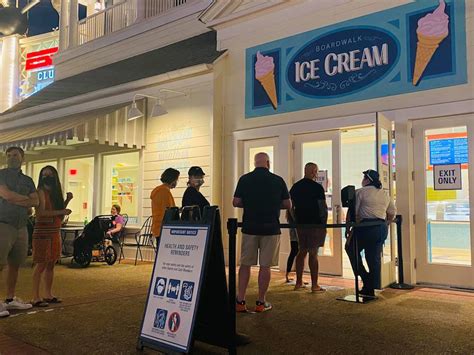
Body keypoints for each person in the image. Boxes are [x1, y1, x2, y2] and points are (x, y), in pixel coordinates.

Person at [233, 152, 291, 313]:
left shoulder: (245, 179)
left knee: (245, 264)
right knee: (265, 266)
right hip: (271, 228)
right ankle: (260, 302)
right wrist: (272, 205)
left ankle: (240, 300)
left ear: (254, 163)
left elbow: (236, 201)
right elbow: (288, 204)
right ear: (268, 162)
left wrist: (251, 204)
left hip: (250, 227)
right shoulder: (278, 180)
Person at [0, 147, 39, 317]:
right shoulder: (1, 175)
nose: (11, 158)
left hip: (21, 226)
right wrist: (26, 200)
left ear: (22, 157)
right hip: (3, 224)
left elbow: (36, 201)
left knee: (15, 264)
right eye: (8, 155)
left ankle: (9, 299)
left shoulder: (28, 180)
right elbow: (6, 195)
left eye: (15, 155)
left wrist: (16, 198)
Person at [345, 169, 396, 297]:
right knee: (373, 258)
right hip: (380, 228)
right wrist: (386, 225)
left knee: (351, 249)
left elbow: (354, 213)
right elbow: (391, 213)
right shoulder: (384, 194)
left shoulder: (360, 192)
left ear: (367, 180)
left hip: (365, 227)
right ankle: (371, 286)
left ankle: (365, 278)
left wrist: (348, 229)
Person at [31, 166, 73, 307]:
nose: (47, 177)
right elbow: (41, 213)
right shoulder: (40, 192)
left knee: (51, 264)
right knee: (41, 264)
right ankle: (36, 297)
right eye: (44, 175)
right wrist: (63, 209)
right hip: (43, 232)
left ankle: (48, 294)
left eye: (49, 175)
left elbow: (60, 215)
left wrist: (67, 201)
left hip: (54, 231)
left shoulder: (54, 193)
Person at [290, 162, 328, 293]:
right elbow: (322, 208)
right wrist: (323, 224)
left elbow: (290, 207)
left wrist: (294, 221)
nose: (316, 174)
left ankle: (298, 282)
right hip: (314, 224)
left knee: (301, 252)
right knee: (313, 253)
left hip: (300, 224)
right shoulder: (317, 188)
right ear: (313, 172)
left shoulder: (295, 187)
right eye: (316, 171)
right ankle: (315, 285)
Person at [150, 168, 180, 238]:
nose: (177, 182)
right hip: (163, 228)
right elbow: (168, 211)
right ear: (172, 179)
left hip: (158, 227)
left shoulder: (159, 190)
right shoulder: (164, 191)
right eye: (177, 179)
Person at [285, 209, 299, 283]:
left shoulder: (290, 209)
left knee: (294, 253)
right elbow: (295, 220)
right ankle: (289, 275)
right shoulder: (291, 209)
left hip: (294, 234)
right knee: (295, 253)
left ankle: (289, 275)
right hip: (296, 234)